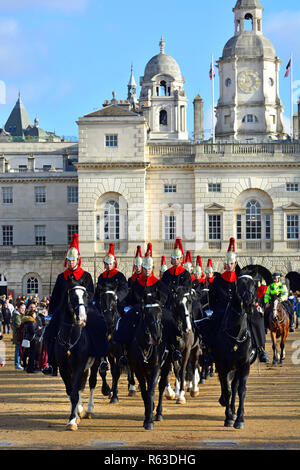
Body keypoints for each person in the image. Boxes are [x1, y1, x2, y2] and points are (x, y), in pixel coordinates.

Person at [42, 233, 108, 375]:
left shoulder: (86, 276)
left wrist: (82, 303)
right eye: (69, 260)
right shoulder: (62, 277)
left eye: (74, 260)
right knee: (48, 333)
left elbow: (91, 293)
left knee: (100, 325)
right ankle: (51, 363)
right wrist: (51, 311)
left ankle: (102, 358)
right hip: (63, 311)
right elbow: (55, 296)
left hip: (83, 308)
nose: (71, 262)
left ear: (78, 260)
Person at [199, 237, 269, 363]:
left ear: (235, 263)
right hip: (222, 309)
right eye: (227, 263)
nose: (229, 265)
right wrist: (216, 309)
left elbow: (249, 293)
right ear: (225, 264)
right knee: (211, 323)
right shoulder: (218, 280)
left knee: (257, 318)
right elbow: (212, 297)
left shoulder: (241, 279)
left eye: (231, 263)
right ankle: (209, 352)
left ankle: (260, 348)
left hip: (240, 308)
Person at [114, 243, 167, 365]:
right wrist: (122, 304)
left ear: (152, 269)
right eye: (145, 268)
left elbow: (164, 298)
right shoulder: (137, 284)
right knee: (124, 322)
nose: (147, 270)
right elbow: (130, 298)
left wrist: (159, 306)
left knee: (170, 321)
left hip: (155, 311)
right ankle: (124, 351)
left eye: (149, 268)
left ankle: (173, 349)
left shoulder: (159, 284)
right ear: (142, 269)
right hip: (139, 310)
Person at [11, 303, 26, 370]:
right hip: (18, 336)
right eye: (22, 308)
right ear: (18, 308)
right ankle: (17, 364)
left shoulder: (19, 315)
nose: (23, 310)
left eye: (24, 309)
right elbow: (19, 326)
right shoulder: (17, 316)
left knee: (19, 350)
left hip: (18, 335)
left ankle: (18, 363)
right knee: (18, 350)